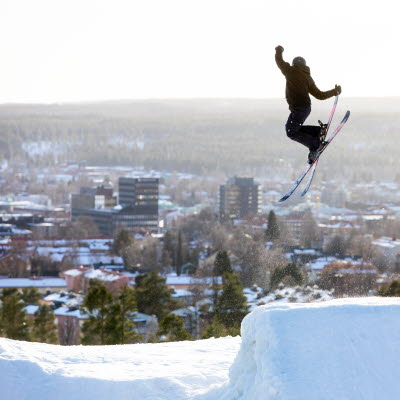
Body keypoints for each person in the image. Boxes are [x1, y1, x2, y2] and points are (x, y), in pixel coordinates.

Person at [275, 45, 341, 163]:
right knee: (294, 129)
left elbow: (279, 61)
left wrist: (279, 50)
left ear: (294, 64)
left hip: (299, 109)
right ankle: (317, 132)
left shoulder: (290, 71)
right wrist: (334, 92)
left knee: (291, 131)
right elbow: (319, 95)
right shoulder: (307, 77)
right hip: (305, 108)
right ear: (304, 65)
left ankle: (315, 145)